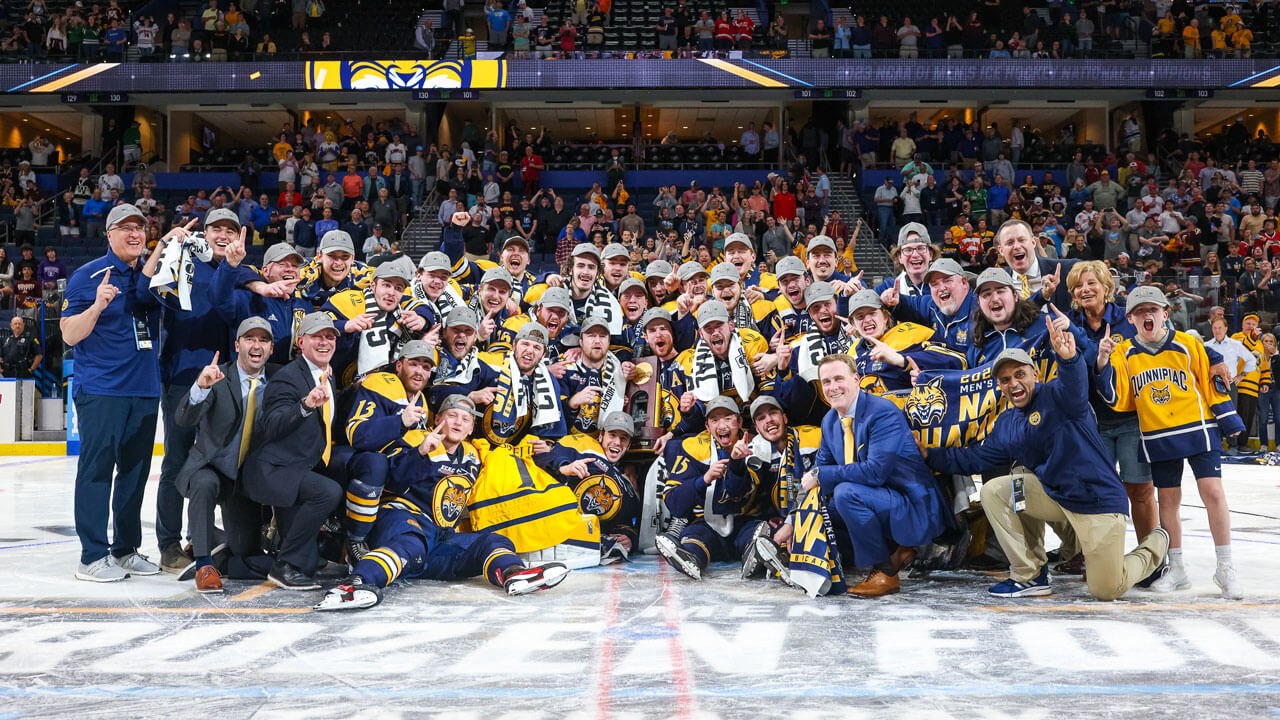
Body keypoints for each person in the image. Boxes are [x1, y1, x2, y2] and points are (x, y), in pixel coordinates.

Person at [925, 339, 1171, 601]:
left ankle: (1157, 544)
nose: (1013, 383)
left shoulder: (1059, 396)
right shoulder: (1007, 423)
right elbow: (977, 458)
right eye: (1005, 379)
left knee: (1106, 589)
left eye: (1020, 374)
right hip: (1056, 499)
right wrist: (929, 455)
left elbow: (1075, 386)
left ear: (1036, 374)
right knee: (1001, 487)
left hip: (1097, 503)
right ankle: (1029, 574)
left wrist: (1068, 360)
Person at [315, 394, 570, 610]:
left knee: (492, 540)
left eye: (466, 419)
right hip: (401, 519)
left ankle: (514, 574)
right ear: (437, 420)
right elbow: (390, 482)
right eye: (452, 415)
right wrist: (420, 454)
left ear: (472, 428)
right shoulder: (415, 439)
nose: (458, 422)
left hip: (438, 537)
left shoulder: (473, 454)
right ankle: (356, 584)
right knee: (410, 543)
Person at [1099, 286, 1245, 599]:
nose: (1147, 315)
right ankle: (1176, 568)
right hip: (1158, 434)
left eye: (1153, 309)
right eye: (1140, 311)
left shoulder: (1188, 343)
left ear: (1166, 313)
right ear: (1131, 319)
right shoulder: (1125, 353)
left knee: (1213, 493)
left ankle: (1225, 566)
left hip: (1198, 427)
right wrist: (1103, 364)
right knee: (1168, 500)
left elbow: (1212, 382)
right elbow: (1120, 400)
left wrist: (1229, 419)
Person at [60, 204, 176, 581]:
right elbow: (69, 334)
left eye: (140, 228)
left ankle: (126, 550)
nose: (134, 234)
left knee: (135, 473)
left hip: (144, 390)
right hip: (102, 391)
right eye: (125, 228)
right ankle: (92, 556)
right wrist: (97, 306)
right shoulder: (87, 276)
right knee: (96, 471)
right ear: (108, 234)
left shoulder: (151, 277)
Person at [803, 353, 947, 597]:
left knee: (845, 493)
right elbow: (820, 470)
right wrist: (793, 522)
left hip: (913, 505)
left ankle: (886, 573)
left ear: (856, 379)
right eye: (826, 382)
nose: (832, 387)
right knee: (824, 506)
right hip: (879, 499)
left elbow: (875, 472)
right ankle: (899, 550)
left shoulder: (882, 411)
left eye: (839, 378)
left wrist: (820, 475)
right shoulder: (829, 421)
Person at [172, 317, 279, 592]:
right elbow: (183, 419)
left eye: (263, 340)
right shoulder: (217, 376)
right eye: (250, 339)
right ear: (237, 345)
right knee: (204, 483)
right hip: (213, 467)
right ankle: (204, 563)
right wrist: (201, 387)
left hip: (247, 479)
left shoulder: (279, 380)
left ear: (271, 348)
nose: (256, 345)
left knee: (248, 552)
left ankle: (221, 551)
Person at [240, 312, 344, 590]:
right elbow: (273, 424)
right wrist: (305, 406)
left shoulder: (325, 375)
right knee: (328, 491)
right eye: (317, 336)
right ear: (301, 341)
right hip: (273, 470)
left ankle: (231, 561)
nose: (325, 342)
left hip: (299, 466)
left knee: (308, 565)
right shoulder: (288, 378)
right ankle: (283, 565)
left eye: (330, 336)